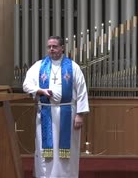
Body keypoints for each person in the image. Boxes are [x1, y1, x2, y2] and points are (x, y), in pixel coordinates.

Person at [23, 35, 89, 178]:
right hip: (46, 113)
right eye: (49, 47)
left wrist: (80, 114)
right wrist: (40, 91)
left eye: (55, 46)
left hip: (68, 114)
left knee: (68, 149)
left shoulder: (73, 67)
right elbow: (26, 85)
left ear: (62, 48)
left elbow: (82, 90)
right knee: (45, 150)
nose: (51, 49)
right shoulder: (39, 66)